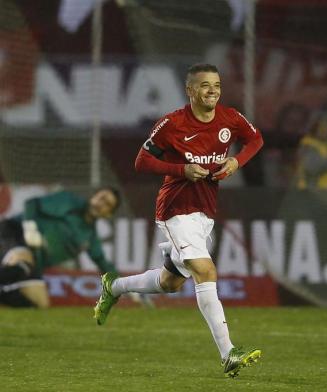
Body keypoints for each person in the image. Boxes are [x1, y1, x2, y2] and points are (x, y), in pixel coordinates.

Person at [94, 63, 263, 377]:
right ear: (190, 91)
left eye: (216, 85)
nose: (212, 91)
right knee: (206, 270)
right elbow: (142, 161)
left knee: (170, 282)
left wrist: (237, 162)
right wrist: (181, 170)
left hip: (204, 211)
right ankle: (229, 354)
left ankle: (114, 287)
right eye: (204, 85)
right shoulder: (172, 123)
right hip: (175, 209)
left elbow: (256, 140)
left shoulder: (231, 118)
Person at [0, 187, 125, 308]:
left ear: (108, 214)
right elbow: (32, 203)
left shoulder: (90, 237)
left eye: (107, 204)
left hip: (32, 261)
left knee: (40, 302)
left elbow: (103, 263)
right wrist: (30, 228)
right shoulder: (69, 201)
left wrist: (124, 286)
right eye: (101, 197)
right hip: (12, 232)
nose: (101, 204)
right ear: (93, 196)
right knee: (23, 262)